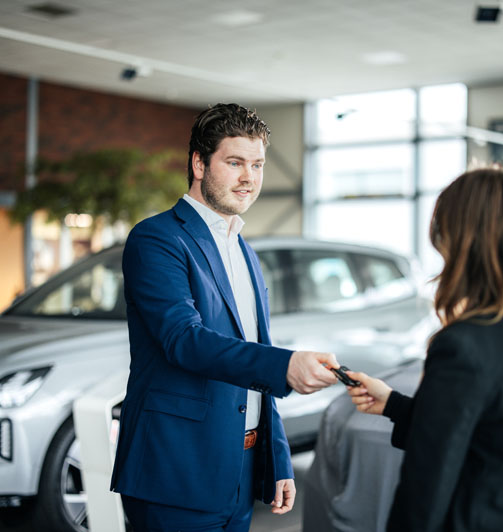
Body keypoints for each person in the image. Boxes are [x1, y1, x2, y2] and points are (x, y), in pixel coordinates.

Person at [110, 103, 340, 532]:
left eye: (257, 164)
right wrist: (286, 366)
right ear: (199, 163)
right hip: (176, 470)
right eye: (234, 163)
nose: (249, 177)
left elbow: (256, 351)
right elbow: (183, 339)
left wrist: (277, 458)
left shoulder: (244, 249)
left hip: (241, 465)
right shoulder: (157, 238)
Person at [346, 165, 503, 532]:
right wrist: (395, 405)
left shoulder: (464, 345)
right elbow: (496, 441)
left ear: (467, 242)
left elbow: (423, 492)